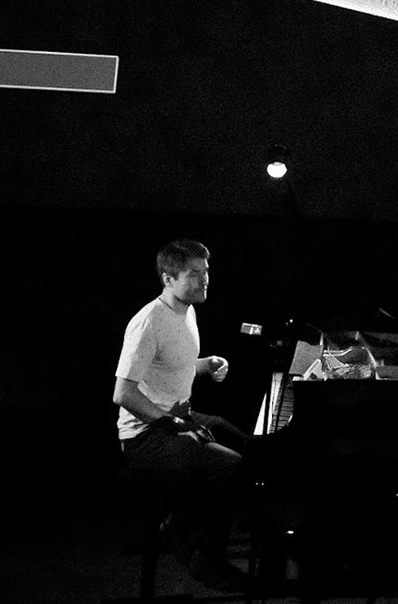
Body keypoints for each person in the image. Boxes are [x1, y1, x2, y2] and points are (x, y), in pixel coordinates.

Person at [113, 239, 256, 592]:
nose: (205, 280)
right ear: (168, 278)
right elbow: (123, 393)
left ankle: (179, 522)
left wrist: (206, 365)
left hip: (177, 418)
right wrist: (169, 424)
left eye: (206, 272)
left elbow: (170, 365)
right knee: (230, 465)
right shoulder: (148, 322)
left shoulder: (186, 310)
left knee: (248, 447)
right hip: (144, 437)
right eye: (194, 273)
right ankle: (208, 560)